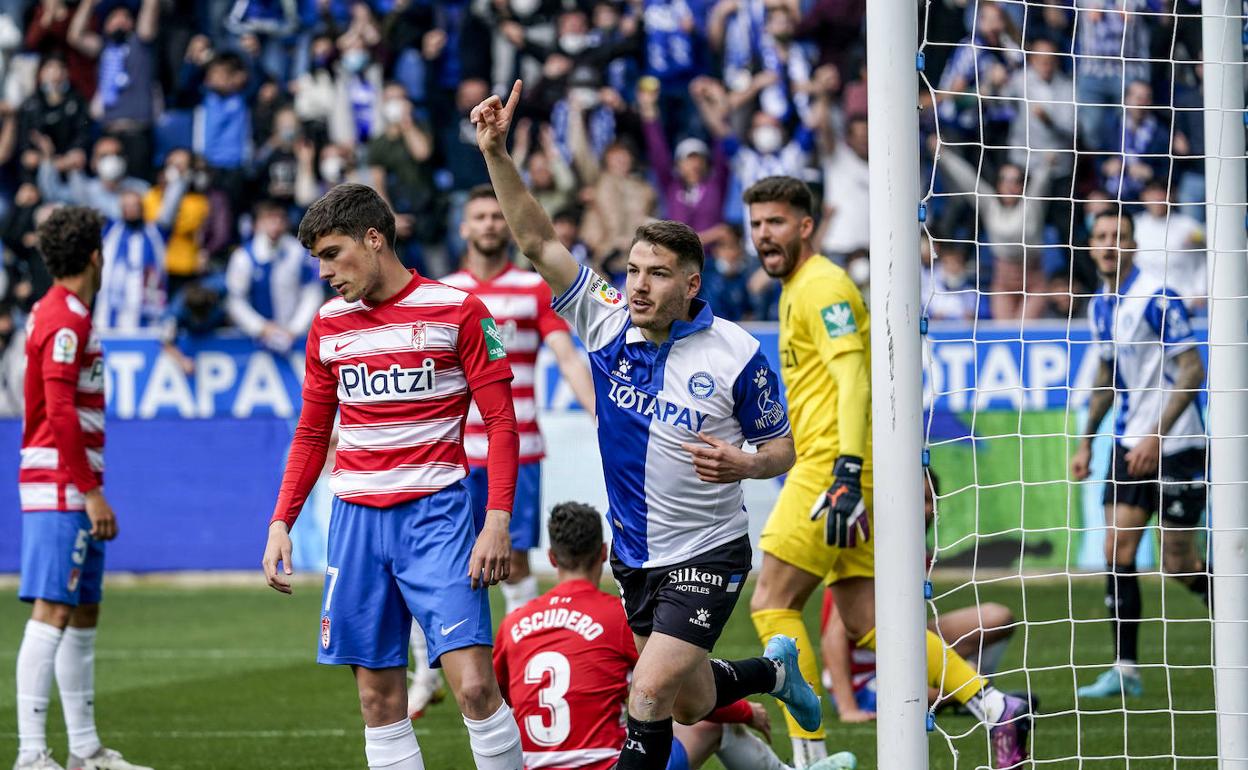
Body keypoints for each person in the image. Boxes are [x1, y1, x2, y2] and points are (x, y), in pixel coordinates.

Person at [474, 80, 817, 770]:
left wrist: (746, 465)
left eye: (656, 274)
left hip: (709, 552)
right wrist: (496, 154)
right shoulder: (603, 317)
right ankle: (776, 675)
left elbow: (783, 448)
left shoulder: (736, 353)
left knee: (650, 692)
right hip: (635, 557)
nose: (636, 285)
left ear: (690, 284)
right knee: (691, 700)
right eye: (631, 270)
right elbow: (538, 239)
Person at [742, 175, 1030, 769]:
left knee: (771, 601)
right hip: (845, 468)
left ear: (806, 225)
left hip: (832, 470)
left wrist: (845, 471)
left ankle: (809, 758)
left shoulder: (823, 285)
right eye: (754, 224)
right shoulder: (799, 286)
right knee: (869, 622)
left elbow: (854, 378)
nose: (762, 235)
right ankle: (994, 705)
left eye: (774, 222)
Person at [261, 183, 525, 770]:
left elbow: (503, 422)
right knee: (379, 700)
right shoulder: (328, 325)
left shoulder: (460, 310)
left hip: (438, 518)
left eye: (332, 254)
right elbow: (310, 435)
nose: (325, 272)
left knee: (476, 688)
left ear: (374, 238)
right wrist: (282, 521)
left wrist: (498, 519)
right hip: (355, 523)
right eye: (318, 260)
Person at [404, 185, 597, 718]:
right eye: (479, 217)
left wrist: (600, 416)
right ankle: (428, 673)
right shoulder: (445, 292)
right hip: (454, 456)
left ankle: (518, 670)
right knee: (437, 565)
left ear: (505, 227)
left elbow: (566, 356)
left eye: (496, 216)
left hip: (519, 452)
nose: (490, 224)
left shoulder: (533, 291)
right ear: (463, 228)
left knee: (511, 563)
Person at [493, 501, 858, 770]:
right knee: (709, 721)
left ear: (553, 559)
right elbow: (675, 680)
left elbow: (501, 708)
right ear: (603, 554)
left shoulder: (514, 624)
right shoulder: (615, 618)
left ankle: (775, 679)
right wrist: (744, 711)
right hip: (613, 764)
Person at [15, 206, 151, 770]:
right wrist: (89, 489)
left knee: (83, 609)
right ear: (96, 255)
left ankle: (86, 749)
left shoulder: (61, 312)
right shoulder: (65, 319)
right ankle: (30, 753)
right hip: (61, 485)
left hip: (70, 478)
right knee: (51, 610)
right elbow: (61, 409)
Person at [1070, 206, 1209, 699]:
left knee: (1178, 563)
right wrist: (1086, 440)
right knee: (1117, 549)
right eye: (1102, 236)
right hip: (1130, 445)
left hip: (1178, 446)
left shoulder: (1159, 298)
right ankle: (1124, 670)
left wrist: (1156, 434)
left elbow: (1193, 371)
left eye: (1119, 236)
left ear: (1132, 245)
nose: (1110, 244)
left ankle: (1234, 612)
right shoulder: (1100, 305)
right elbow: (1107, 378)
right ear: (1091, 246)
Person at [821, 470, 1017, 722]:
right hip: (864, 677)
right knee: (919, 698)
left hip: (900, 650)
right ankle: (974, 695)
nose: (926, 509)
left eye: (930, 500)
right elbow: (832, 635)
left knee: (998, 617)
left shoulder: (918, 549)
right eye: (918, 499)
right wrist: (848, 708)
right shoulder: (868, 550)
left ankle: (974, 693)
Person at [224, 199, 321, 353]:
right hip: (255, 342)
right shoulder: (244, 257)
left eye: (280, 218)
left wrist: (295, 329)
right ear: (258, 223)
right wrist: (260, 327)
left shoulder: (299, 253)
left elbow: (312, 292)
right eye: (269, 218)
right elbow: (235, 301)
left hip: (295, 339)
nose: (275, 224)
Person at [94, 191, 167, 333]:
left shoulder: (156, 232)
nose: (131, 210)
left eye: (135, 205)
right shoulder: (110, 230)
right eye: (127, 206)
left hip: (147, 311)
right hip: (111, 311)